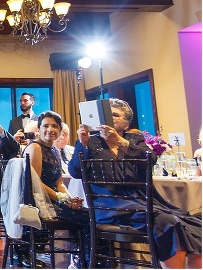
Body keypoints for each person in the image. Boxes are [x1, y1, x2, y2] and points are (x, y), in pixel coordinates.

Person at [69, 98, 202, 269]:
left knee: (193, 223)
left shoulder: (133, 138)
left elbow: (150, 159)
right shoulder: (90, 141)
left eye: (115, 115)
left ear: (126, 124)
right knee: (167, 221)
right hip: (108, 204)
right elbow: (75, 172)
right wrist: (83, 144)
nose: (110, 118)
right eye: (108, 114)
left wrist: (119, 141)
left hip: (139, 200)